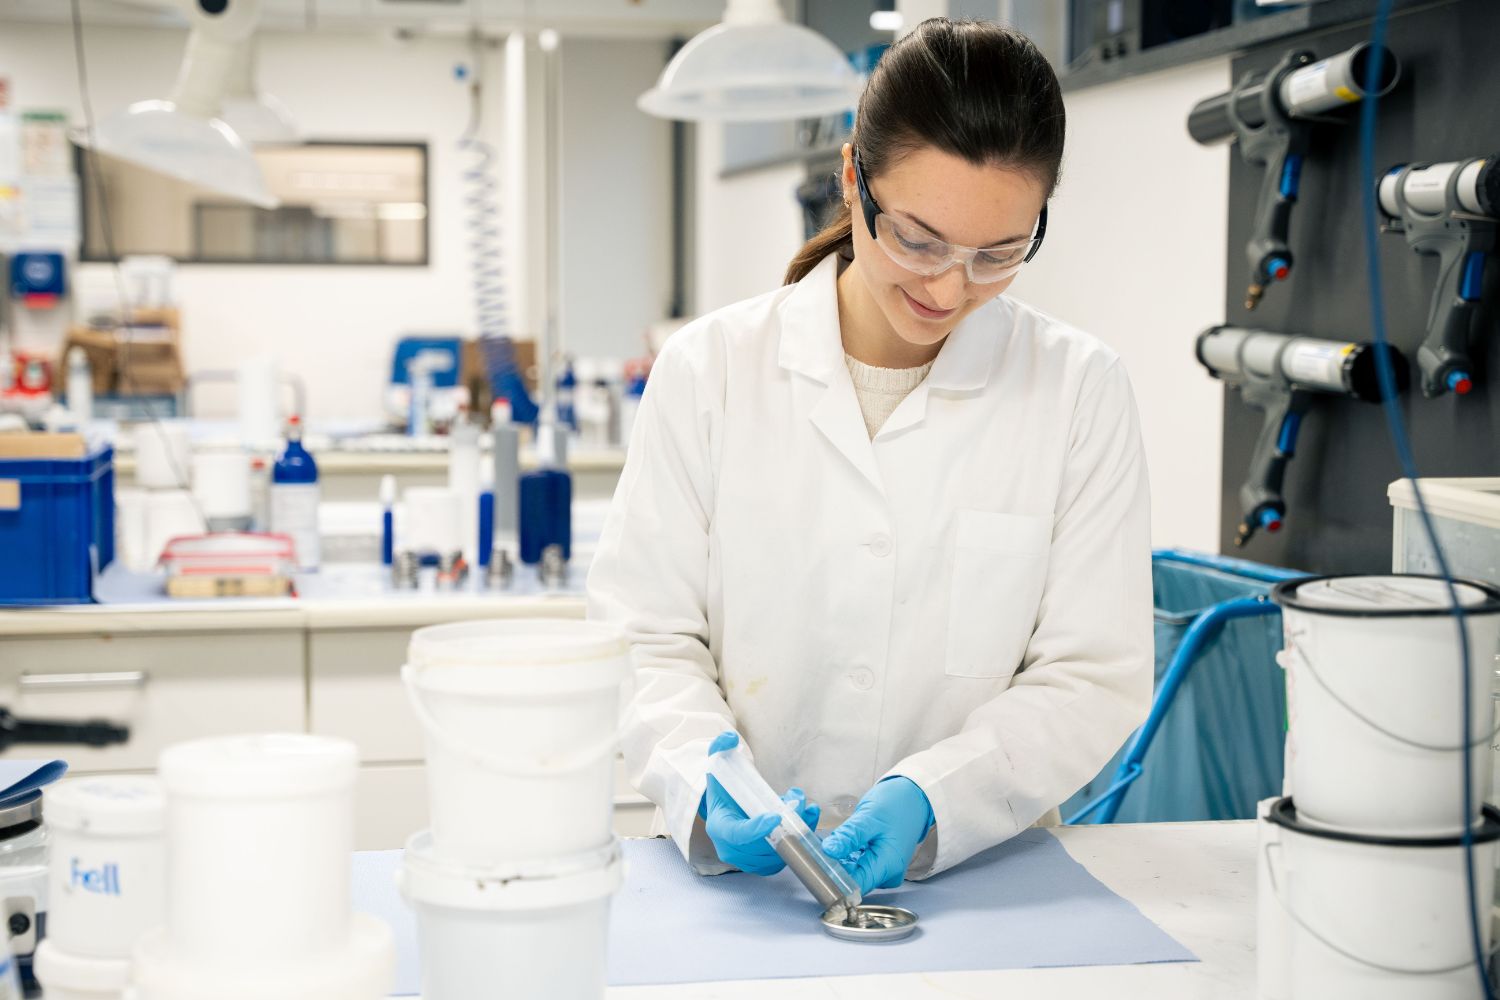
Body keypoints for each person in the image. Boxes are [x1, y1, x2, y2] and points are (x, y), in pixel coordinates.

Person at [588, 17, 1152, 895]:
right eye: (919, 240)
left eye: (998, 254)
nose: (947, 288)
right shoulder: (713, 370)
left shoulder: (1079, 390)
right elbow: (643, 636)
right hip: (749, 887)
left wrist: (935, 797)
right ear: (854, 180)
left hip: (979, 883)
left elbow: (1093, 675)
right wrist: (707, 783)